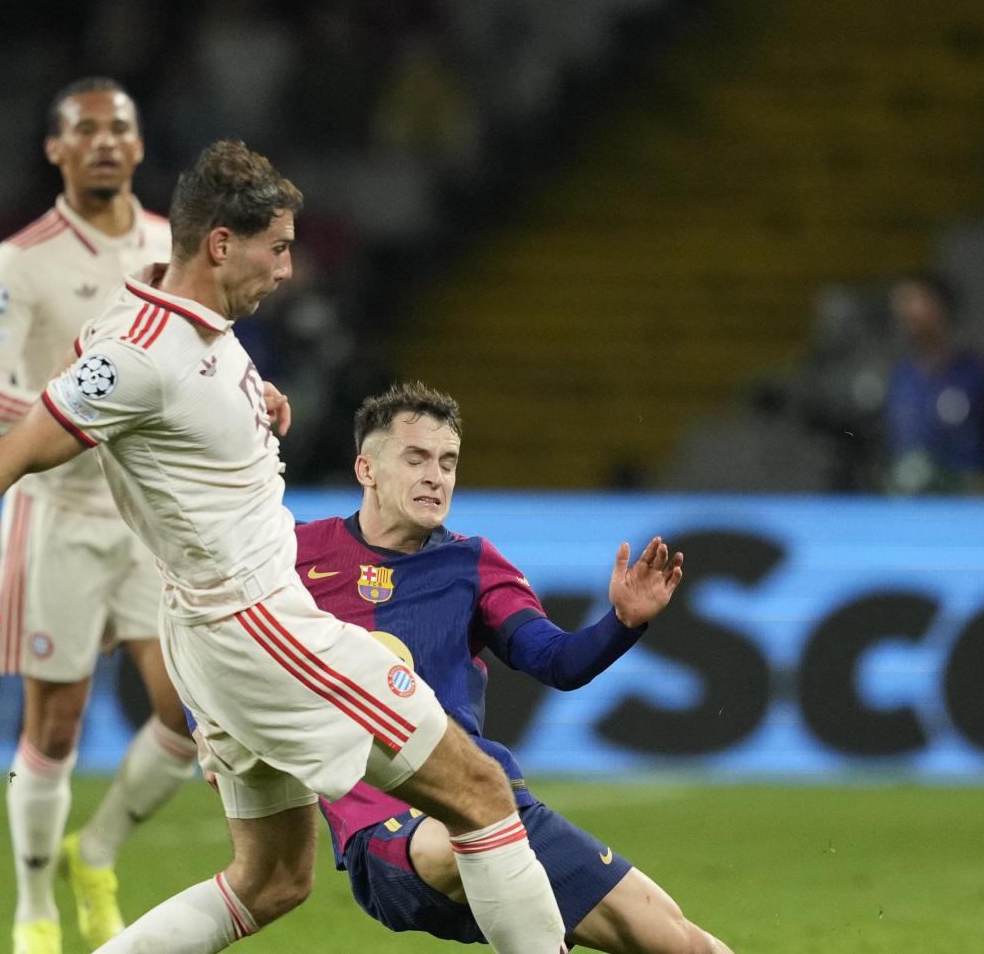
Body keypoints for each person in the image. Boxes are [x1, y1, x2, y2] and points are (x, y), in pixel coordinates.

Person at [0, 139, 572, 954]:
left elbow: (151, 375)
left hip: (206, 633)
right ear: (221, 244)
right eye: (277, 247)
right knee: (482, 791)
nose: (287, 269)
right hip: (262, 628)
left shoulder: (167, 321)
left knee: (273, 878)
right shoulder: (146, 357)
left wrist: (250, 407)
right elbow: (6, 458)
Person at [302, 382, 730, 954]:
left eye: (448, 462)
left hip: (497, 805)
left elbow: (555, 661)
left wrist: (622, 623)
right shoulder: (299, 555)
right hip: (392, 832)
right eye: (417, 458)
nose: (436, 476)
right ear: (367, 469)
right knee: (470, 838)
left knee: (684, 943)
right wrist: (207, 726)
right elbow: (213, 627)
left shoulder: (473, 564)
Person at [0, 75, 188, 953]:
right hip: (56, 512)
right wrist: (68, 423)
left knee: (189, 715)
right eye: (83, 130)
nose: (103, 141)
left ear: (137, 144)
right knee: (55, 723)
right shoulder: (24, 259)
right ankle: (35, 909)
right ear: (55, 148)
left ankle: (101, 850)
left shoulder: (175, 245)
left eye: (118, 127)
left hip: (150, 518)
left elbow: (208, 355)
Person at [882, 274, 984, 495]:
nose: (905, 312)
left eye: (915, 302)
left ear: (940, 309)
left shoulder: (976, 375)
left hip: (966, 510)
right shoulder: (899, 378)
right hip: (910, 513)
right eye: (901, 304)